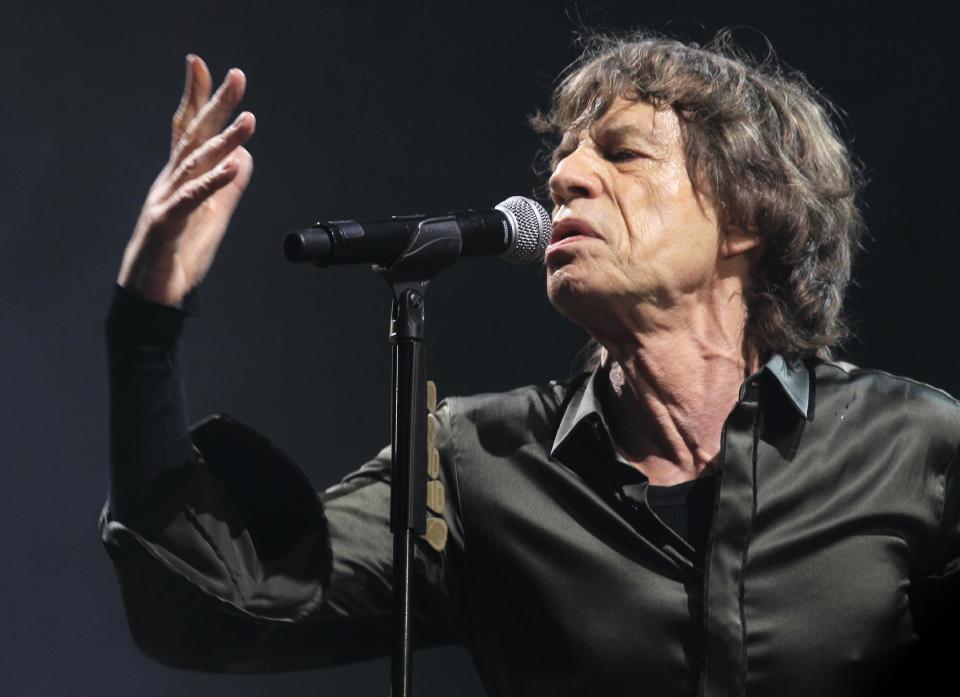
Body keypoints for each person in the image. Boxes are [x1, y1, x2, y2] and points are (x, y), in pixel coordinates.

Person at [101, 33, 959, 697]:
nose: (565, 177)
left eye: (620, 153)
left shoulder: (911, 445)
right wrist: (146, 315)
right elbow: (216, 603)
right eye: (564, 159)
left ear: (748, 219)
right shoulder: (480, 461)